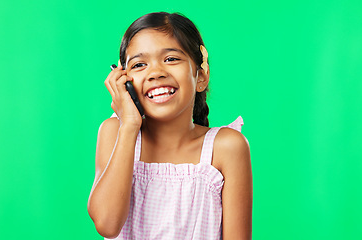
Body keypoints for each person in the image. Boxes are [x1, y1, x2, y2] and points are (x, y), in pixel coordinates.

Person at [87, 12, 252, 240]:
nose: (156, 73)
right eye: (140, 64)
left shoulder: (226, 147)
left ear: (201, 76)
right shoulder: (115, 132)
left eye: (171, 59)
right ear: (123, 80)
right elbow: (107, 223)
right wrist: (129, 126)